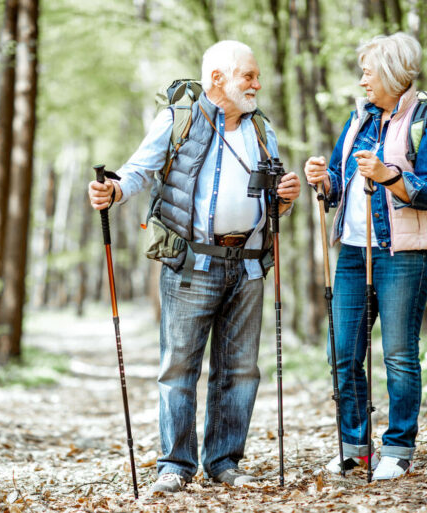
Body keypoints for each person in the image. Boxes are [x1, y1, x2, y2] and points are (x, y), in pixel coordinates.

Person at [89, 40, 300, 495]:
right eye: (249, 76)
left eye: (257, 76)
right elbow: (139, 171)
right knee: (179, 366)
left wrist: (285, 197)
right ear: (217, 78)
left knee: (241, 369)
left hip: (248, 267)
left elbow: (273, 199)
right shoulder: (177, 120)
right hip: (192, 264)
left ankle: (225, 462)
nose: (257, 84)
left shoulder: (262, 128)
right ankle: (175, 465)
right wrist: (114, 191)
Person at [303, 32, 427, 481]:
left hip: (401, 254)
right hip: (351, 251)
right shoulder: (359, 118)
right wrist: (322, 180)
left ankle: (399, 449)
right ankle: (355, 448)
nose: (363, 79)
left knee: (399, 355)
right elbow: (338, 178)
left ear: (390, 72)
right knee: (343, 354)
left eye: (369, 71)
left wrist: (389, 175)